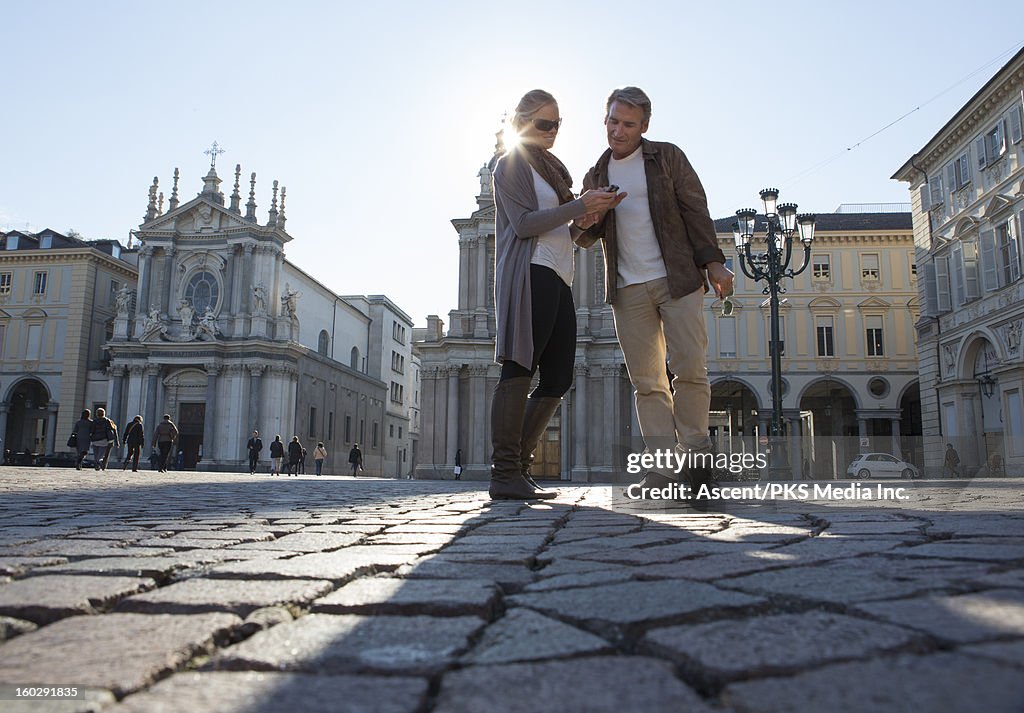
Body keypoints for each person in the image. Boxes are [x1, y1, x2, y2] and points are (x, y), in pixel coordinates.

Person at [579, 87, 733, 499]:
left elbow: (695, 209)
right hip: (627, 289)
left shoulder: (667, 157)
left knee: (690, 370)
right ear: (605, 119)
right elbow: (583, 237)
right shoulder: (596, 174)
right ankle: (664, 468)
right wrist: (591, 212)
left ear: (644, 126)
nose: (618, 130)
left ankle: (698, 460)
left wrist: (713, 261)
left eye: (628, 124)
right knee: (647, 382)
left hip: (677, 278)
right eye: (613, 121)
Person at [489, 89, 622, 501]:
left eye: (558, 123)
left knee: (559, 376)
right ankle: (505, 471)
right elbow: (525, 224)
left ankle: (520, 468)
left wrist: (590, 216)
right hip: (529, 273)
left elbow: (568, 233)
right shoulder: (508, 165)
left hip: (559, 274)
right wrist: (577, 206)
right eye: (545, 124)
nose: (553, 131)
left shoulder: (552, 170)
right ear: (523, 122)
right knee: (519, 369)